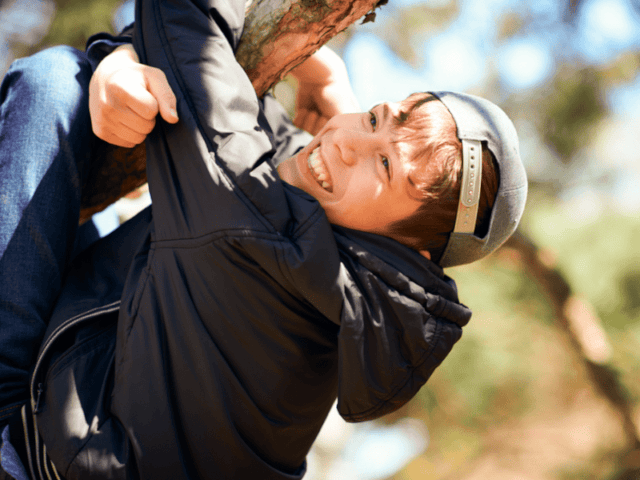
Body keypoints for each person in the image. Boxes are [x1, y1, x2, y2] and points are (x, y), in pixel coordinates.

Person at [0, 0, 527, 478]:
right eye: (373, 118)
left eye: (386, 165)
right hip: (89, 393)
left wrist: (118, 56)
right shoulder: (352, 293)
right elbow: (251, 127)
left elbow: (185, 27)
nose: (347, 143)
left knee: (51, 81)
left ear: (413, 251)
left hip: (31, 453)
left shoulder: (267, 235)